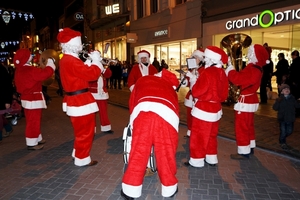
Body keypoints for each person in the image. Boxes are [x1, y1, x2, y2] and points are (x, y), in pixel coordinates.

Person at [121, 70, 180, 199]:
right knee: (166, 153)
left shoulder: (142, 80)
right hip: (166, 115)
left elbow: (132, 103)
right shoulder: (170, 88)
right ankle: (169, 188)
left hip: (143, 111)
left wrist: (133, 122)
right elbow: (176, 109)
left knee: (138, 151)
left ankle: (131, 189)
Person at [57, 27, 104, 167]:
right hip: (80, 100)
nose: (81, 46)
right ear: (73, 44)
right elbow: (92, 75)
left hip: (76, 99)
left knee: (81, 130)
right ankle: (82, 158)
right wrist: (96, 61)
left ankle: (77, 153)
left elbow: (80, 75)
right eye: (79, 43)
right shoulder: (71, 61)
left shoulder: (67, 59)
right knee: (86, 131)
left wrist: (88, 64)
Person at [184, 46, 228, 167]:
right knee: (212, 136)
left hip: (203, 108)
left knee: (199, 136)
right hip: (216, 109)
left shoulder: (208, 72)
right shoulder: (222, 73)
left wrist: (193, 82)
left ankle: (197, 160)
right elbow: (224, 95)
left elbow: (197, 92)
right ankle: (211, 158)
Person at [225, 44, 270, 159]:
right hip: (250, 99)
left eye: (251, 52)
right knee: (248, 126)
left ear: (255, 55)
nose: (248, 54)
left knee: (242, 127)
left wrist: (230, 69)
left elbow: (238, 79)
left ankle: (243, 151)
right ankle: (249, 146)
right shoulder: (256, 68)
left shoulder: (253, 69)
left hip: (245, 101)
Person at [14, 48, 56, 150]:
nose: (31, 57)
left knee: (33, 120)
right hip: (33, 99)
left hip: (27, 98)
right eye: (29, 56)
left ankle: (37, 138)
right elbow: (45, 74)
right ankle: (32, 142)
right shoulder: (30, 70)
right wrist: (50, 63)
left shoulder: (20, 70)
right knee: (33, 121)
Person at [182, 49, 205, 138]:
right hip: (190, 95)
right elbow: (187, 83)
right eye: (193, 57)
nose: (194, 59)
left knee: (197, 115)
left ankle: (196, 132)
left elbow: (200, 83)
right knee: (189, 114)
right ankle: (190, 130)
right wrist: (184, 79)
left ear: (200, 59)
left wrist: (191, 77)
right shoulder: (192, 69)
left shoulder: (203, 70)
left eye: (196, 58)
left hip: (198, 96)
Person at [272, 84, 300, 150]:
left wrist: (298, 101)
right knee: (283, 131)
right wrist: (277, 102)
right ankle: (282, 142)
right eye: (285, 89)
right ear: (281, 92)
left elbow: (297, 106)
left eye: (288, 89)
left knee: (290, 131)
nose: (287, 90)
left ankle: (282, 137)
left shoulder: (292, 98)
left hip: (290, 118)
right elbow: (275, 108)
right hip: (282, 119)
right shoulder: (280, 99)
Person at [89, 66, 114, 134]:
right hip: (93, 93)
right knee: (92, 113)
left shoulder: (102, 68)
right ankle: (91, 129)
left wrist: (105, 67)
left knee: (104, 112)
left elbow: (108, 75)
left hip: (102, 93)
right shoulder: (90, 66)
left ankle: (106, 127)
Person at [0, 62, 14, 141]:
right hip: (3, 98)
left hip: (2, 98)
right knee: (1, 116)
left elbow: (7, 85)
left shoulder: (2, 70)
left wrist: (7, 100)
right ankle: (8, 128)